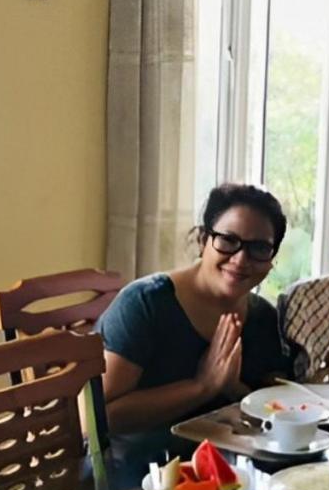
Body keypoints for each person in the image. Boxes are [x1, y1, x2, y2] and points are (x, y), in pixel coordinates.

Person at [95, 183, 293, 473]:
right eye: (228, 240)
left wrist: (234, 388)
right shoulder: (145, 303)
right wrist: (201, 387)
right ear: (203, 240)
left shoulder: (262, 316)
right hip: (133, 471)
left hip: (230, 469)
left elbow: (272, 402)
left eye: (259, 248)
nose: (241, 259)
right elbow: (97, 417)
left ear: (271, 259)